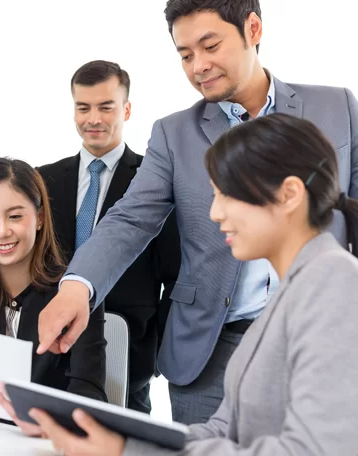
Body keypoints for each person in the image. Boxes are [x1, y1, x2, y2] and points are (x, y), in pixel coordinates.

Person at [36, 0, 358, 424]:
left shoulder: (338, 108)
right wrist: (77, 287)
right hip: (211, 352)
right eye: (185, 55)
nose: (198, 66)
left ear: (253, 29)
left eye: (210, 46)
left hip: (321, 339)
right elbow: (131, 218)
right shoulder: (173, 134)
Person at [30, 113, 358, 456]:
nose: (214, 213)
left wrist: (127, 453)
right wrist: (113, 436)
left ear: (289, 194)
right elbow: (225, 430)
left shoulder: (334, 284)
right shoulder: (292, 291)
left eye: (227, 195)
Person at [37, 60, 180, 413]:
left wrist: (158, 351)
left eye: (106, 106)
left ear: (126, 109)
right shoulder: (44, 180)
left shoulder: (155, 180)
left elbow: (174, 276)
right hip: (51, 347)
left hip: (128, 353)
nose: (93, 119)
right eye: (83, 107)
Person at [0, 158, 107, 434]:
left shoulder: (73, 293)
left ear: (39, 218)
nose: (1, 231)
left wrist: (44, 423)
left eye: (15, 216)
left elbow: (90, 393)